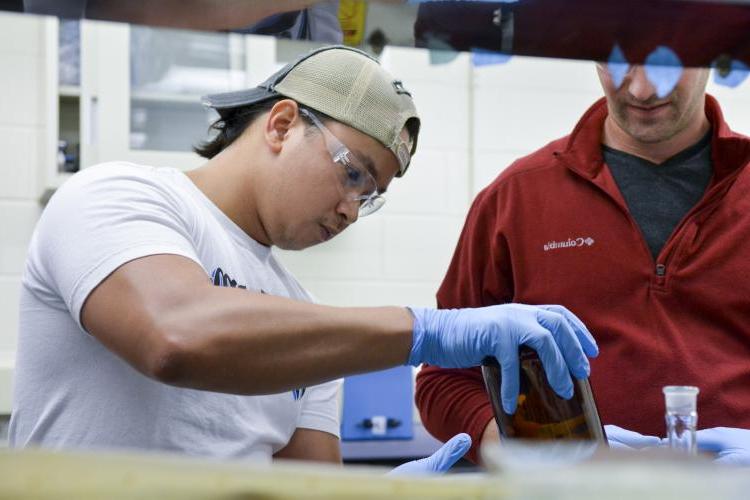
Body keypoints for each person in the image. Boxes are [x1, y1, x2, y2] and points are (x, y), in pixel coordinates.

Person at [9, 45, 597, 473]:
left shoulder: (302, 316)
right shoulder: (117, 197)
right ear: (284, 123)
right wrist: (427, 330)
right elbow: (174, 337)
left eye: (370, 197)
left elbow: (309, 486)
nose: (349, 209)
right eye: (352, 173)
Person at [415, 61, 750, 465]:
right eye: (620, 61)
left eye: (667, 62)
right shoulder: (515, 198)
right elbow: (445, 378)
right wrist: (516, 455)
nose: (643, 90)